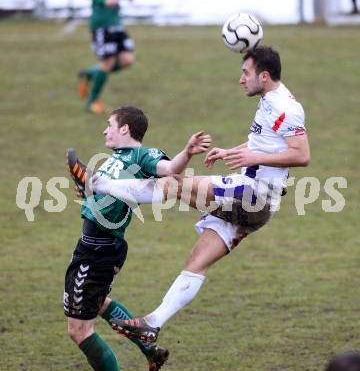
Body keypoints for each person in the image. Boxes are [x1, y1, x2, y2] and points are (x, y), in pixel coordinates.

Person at [89, 46, 311, 344]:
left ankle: (98, 185)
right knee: (197, 260)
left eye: (246, 73)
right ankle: (152, 324)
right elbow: (267, 145)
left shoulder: (286, 106)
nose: (241, 79)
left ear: (265, 76)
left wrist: (251, 159)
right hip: (252, 196)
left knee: (173, 183)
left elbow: (301, 155)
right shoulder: (268, 101)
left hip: (253, 194)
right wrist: (232, 152)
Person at [64, 105, 211, 371]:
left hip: (98, 249)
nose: (105, 130)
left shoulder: (142, 155)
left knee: (79, 330)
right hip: (96, 246)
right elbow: (107, 196)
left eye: (109, 124)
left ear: (124, 129)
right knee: (99, 304)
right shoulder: (114, 158)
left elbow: (170, 169)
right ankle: (151, 349)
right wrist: (87, 192)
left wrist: (187, 152)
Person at [78, 0, 135, 114]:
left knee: (127, 60)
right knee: (108, 63)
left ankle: (89, 74)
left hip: (116, 25)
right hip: (102, 28)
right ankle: (92, 102)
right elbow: (110, 1)